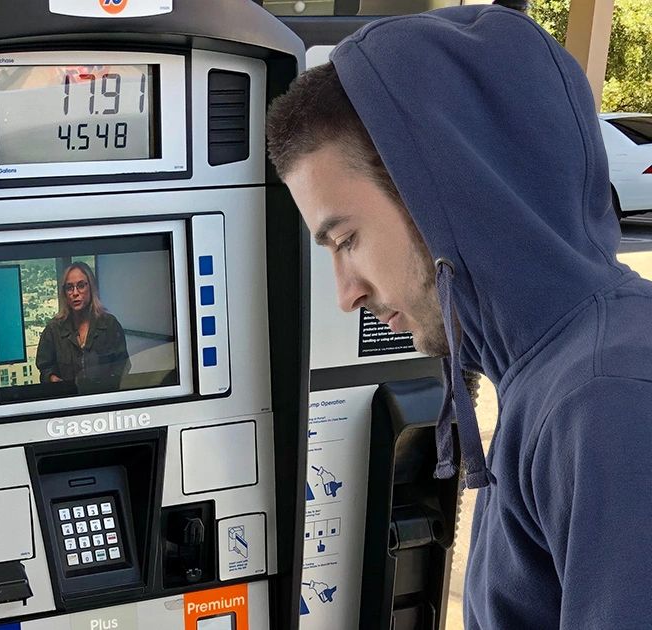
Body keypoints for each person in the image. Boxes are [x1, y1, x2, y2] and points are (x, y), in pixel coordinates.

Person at [265, 5, 652, 629]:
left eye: (346, 241)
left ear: (440, 196)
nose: (347, 293)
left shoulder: (608, 399)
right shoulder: (557, 371)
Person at [35, 262, 130, 393]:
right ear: (64, 293)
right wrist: (53, 380)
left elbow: (123, 364)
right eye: (69, 287)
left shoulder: (109, 325)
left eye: (81, 286)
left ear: (91, 288)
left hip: (105, 401)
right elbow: (45, 367)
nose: (75, 293)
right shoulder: (53, 329)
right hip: (68, 401)